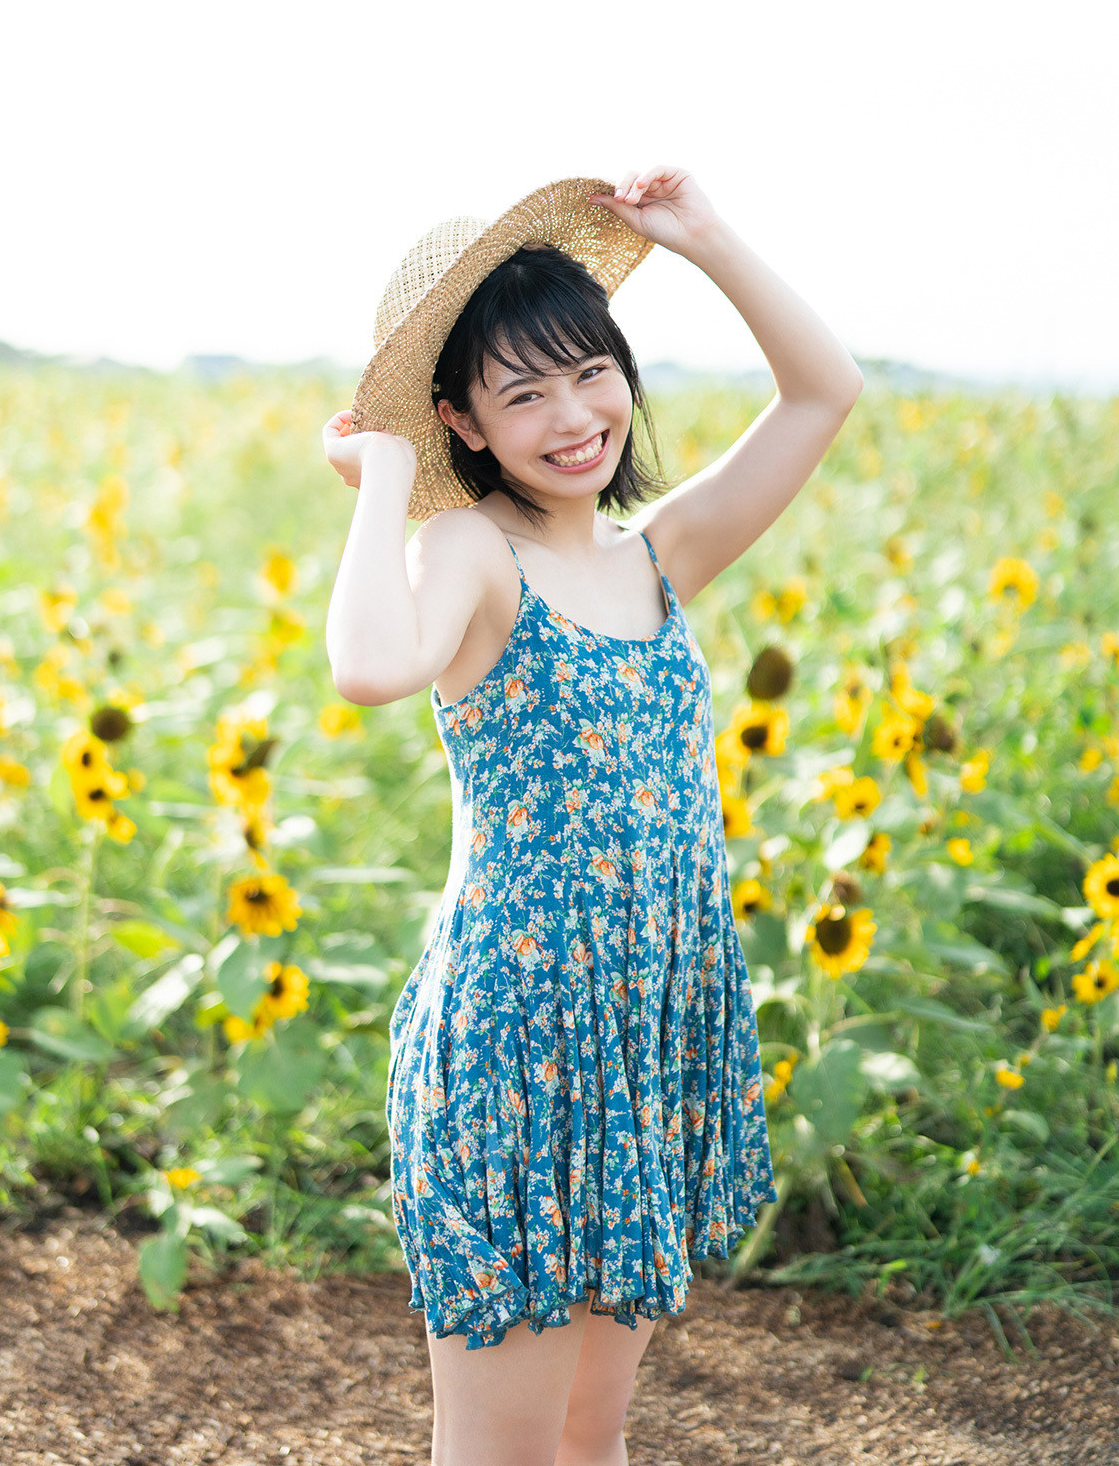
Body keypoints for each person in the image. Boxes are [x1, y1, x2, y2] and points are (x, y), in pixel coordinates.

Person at [321, 167, 863, 1466]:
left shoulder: (660, 555)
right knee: (502, 1448)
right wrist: (388, 475)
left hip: (642, 1036)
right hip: (519, 1049)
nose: (575, 417)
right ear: (463, 418)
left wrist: (706, 239)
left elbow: (822, 393)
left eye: (592, 371)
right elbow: (369, 670)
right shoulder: (469, 556)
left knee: (590, 1433)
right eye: (524, 392)